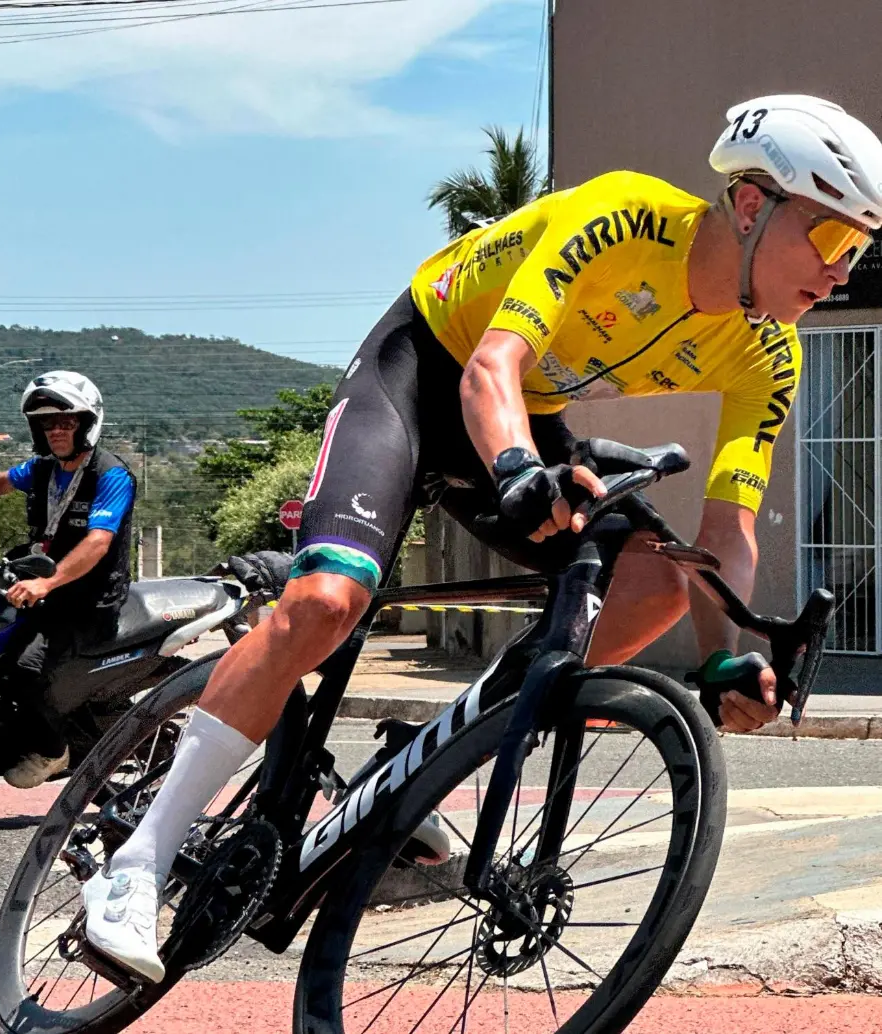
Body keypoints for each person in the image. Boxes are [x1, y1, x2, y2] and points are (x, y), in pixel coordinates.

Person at [83, 94, 882, 982]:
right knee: (327, 600)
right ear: (748, 205)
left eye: (858, 248)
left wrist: (728, 652)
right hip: (423, 370)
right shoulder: (620, 217)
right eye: (830, 238)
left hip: (524, 417)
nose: (841, 271)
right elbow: (491, 365)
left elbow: (728, 528)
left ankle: (437, 756)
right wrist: (512, 471)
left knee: (658, 580)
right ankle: (137, 864)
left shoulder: (771, 351)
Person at [0, 371, 136, 788]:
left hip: (86, 602)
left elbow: (97, 543)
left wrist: (47, 584)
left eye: (66, 421)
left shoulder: (110, 475)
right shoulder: (45, 470)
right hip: (39, 591)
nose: (55, 430)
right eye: (46, 423)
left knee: (24, 670)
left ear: (88, 422)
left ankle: (53, 751)